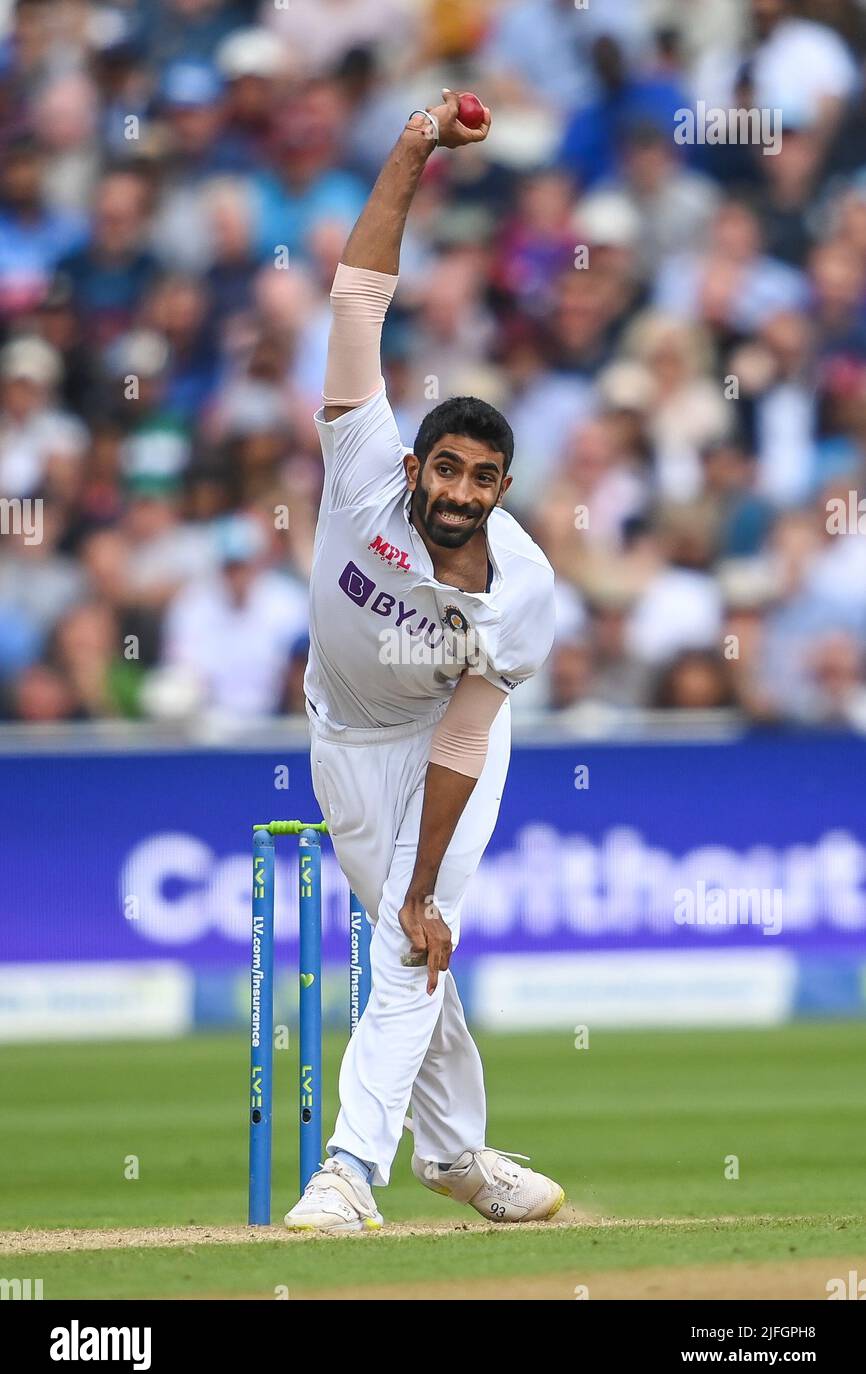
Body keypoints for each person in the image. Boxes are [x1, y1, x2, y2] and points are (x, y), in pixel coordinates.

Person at [284, 90, 564, 1232]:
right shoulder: (358, 458)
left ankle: (349, 1171)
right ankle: (454, 1154)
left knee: (407, 937)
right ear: (415, 464)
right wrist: (409, 149)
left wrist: (422, 880)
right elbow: (360, 292)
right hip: (341, 737)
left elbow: (464, 726)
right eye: (442, 469)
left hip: (447, 745)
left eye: (480, 481)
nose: (456, 493)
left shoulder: (522, 584)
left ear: (501, 491)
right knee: (417, 947)